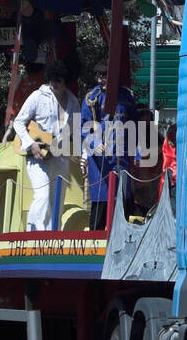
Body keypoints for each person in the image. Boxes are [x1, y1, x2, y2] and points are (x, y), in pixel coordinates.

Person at [13, 60, 79, 232]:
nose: (54, 83)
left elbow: (78, 132)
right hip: (37, 155)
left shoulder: (74, 102)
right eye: (52, 79)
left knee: (57, 198)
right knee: (42, 196)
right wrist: (31, 144)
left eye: (58, 79)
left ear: (66, 80)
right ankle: (35, 235)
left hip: (60, 155)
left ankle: (53, 235)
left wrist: (84, 157)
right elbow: (18, 122)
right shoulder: (37, 96)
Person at [80, 60, 139, 231]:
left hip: (122, 155)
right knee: (101, 201)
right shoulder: (92, 98)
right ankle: (95, 243)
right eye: (98, 76)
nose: (100, 80)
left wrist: (137, 153)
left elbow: (134, 125)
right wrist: (95, 143)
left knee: (122, 199)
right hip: (101, 159)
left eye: (104, 76)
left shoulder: (127, 96)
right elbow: (84, 127)